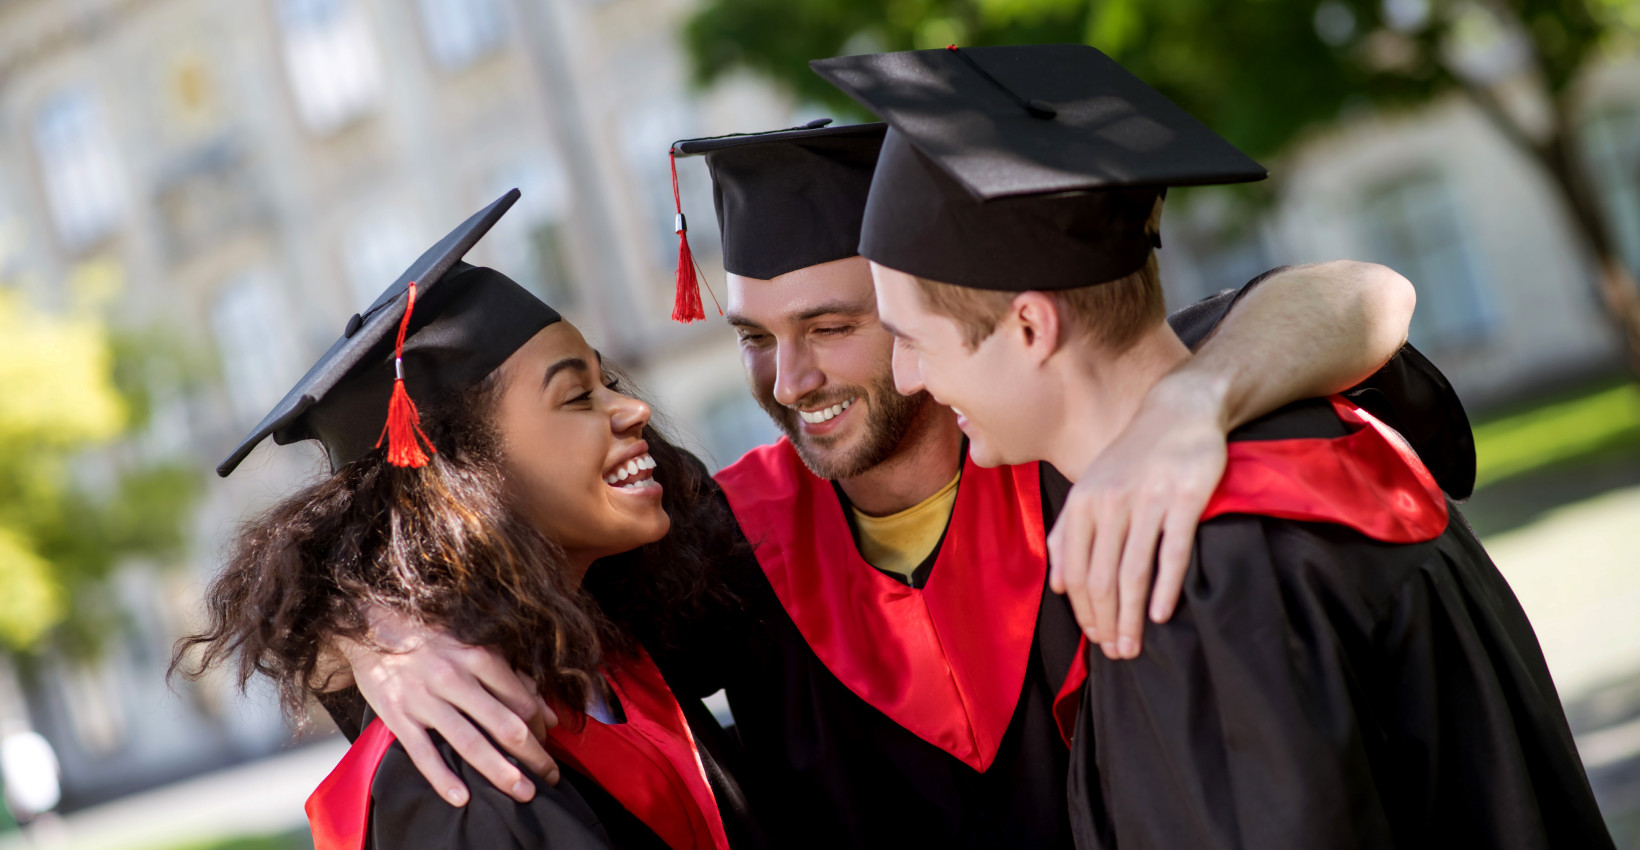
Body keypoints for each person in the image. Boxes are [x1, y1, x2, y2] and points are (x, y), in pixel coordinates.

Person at [324, 121, 1469, 847]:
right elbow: (501, 585)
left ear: (930, 309)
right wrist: (382, 627)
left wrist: (1192, 403)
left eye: (831, 324)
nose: (790, 375)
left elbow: (1358, 293)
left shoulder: (1083, 452)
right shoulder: (732, 545)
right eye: (757, 337)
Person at [830, 43, 1616, 848]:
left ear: (1032, 327)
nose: (909, 377)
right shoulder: (1315, 425)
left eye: (913, 340)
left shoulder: (1190, 568)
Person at [174, 191, 765, 850]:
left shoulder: (615, 653)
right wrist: (368, 625)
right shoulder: (458, 773)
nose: (634, 413)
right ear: (460, 474)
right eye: (577, 396)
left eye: (611, 385)